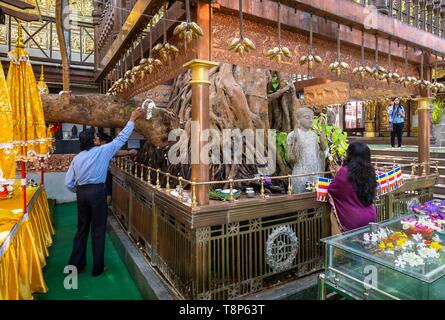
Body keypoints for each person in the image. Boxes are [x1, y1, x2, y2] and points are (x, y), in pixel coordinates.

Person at [65, 107, 144, 276]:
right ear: (93, 141)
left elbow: (68, 183)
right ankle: (97, 268)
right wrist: (132, 117)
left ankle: (77, 265)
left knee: (82, 229)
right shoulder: (103, 151)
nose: (97, 138)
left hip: (81, 193)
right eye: (95, 137)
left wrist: (80, 191)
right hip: (97, 194)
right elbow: (121, 138)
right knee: (98, 229)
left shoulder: (77, 158)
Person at [328, 142, 377, 234]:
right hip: (371, 217)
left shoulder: (344, 171)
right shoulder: (371, 172)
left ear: (350, 155)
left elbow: (332, 190)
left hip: (353, 219)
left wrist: (337, 174)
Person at [287, 107, 327, 193]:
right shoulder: (292, 135)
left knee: (315, 200)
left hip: (314, 172)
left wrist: (322, 140)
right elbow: (290, 157)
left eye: (311, 118)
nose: (310, 120)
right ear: (298, 119)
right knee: (301, 200)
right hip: (300, 173)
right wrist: (295, 146)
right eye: (307, 117)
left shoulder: (313, 135)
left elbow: (321, 152)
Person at [94, 132, 138, 205]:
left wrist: (129, 152)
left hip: (103, 176)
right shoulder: (99, 149)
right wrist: (129, 152)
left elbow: (116, 153)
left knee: (107, 192)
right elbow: (116, 153)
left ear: (103, 141)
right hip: (100, 177)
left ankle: (104, 208)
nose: (94, 140)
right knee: (105, 192)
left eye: (96, 138)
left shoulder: (103, 148)